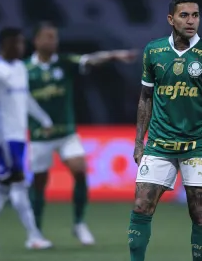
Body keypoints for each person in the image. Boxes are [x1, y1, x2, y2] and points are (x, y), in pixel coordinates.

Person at [128, 0, 202, 261]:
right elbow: (145, 97)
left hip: (197, 145)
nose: (191, 21)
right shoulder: (154, 51)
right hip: (159, 143)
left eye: (195, 15)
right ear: (170, 19)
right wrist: (139, 141)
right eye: (184, 15)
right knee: (141, 206)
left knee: (200, 212)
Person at [26, 21, 138, 245]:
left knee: (80, 169)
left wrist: (114, 55)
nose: (53, 41)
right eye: (48, 37)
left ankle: (78, 223)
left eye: (55, 37)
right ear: (36, 40)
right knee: (40, 182)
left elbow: (90, 59)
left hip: (66, 133)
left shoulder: (65, 63)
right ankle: (35, 231)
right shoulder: (24, 70)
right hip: (40, 137)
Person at [0, 27, 54, 250]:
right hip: (3, 137)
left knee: (3, 187)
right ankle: (34, 236)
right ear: (5, 44)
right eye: (17, 43)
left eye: (22, 43)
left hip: (18, 136)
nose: (21, 47)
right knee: (18, 183)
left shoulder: (19, 68)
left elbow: (24, 99)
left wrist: (44, 119)